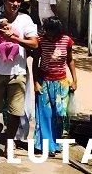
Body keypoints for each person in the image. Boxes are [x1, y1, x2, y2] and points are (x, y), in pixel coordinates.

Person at [0, 0, 39, 143]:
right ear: (4, 1)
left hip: (18, 71)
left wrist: (14, 39)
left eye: (18, 1)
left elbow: (34, 44)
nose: (15, 4)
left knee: (16, 110)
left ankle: (9, 140)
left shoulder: (25, 20)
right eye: (12, 0)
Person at [34, 16, 77, 156]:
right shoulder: (41, 41)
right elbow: (35, 62)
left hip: (61, 83)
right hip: (44, 81)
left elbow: (70, 60)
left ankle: (56, 143)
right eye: (48, 32)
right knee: (45, 115)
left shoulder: (66, 40)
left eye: (53, 32)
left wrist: (74, 80)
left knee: (59, 115)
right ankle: (47, 146)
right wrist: (35, 83)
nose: (51, 35)